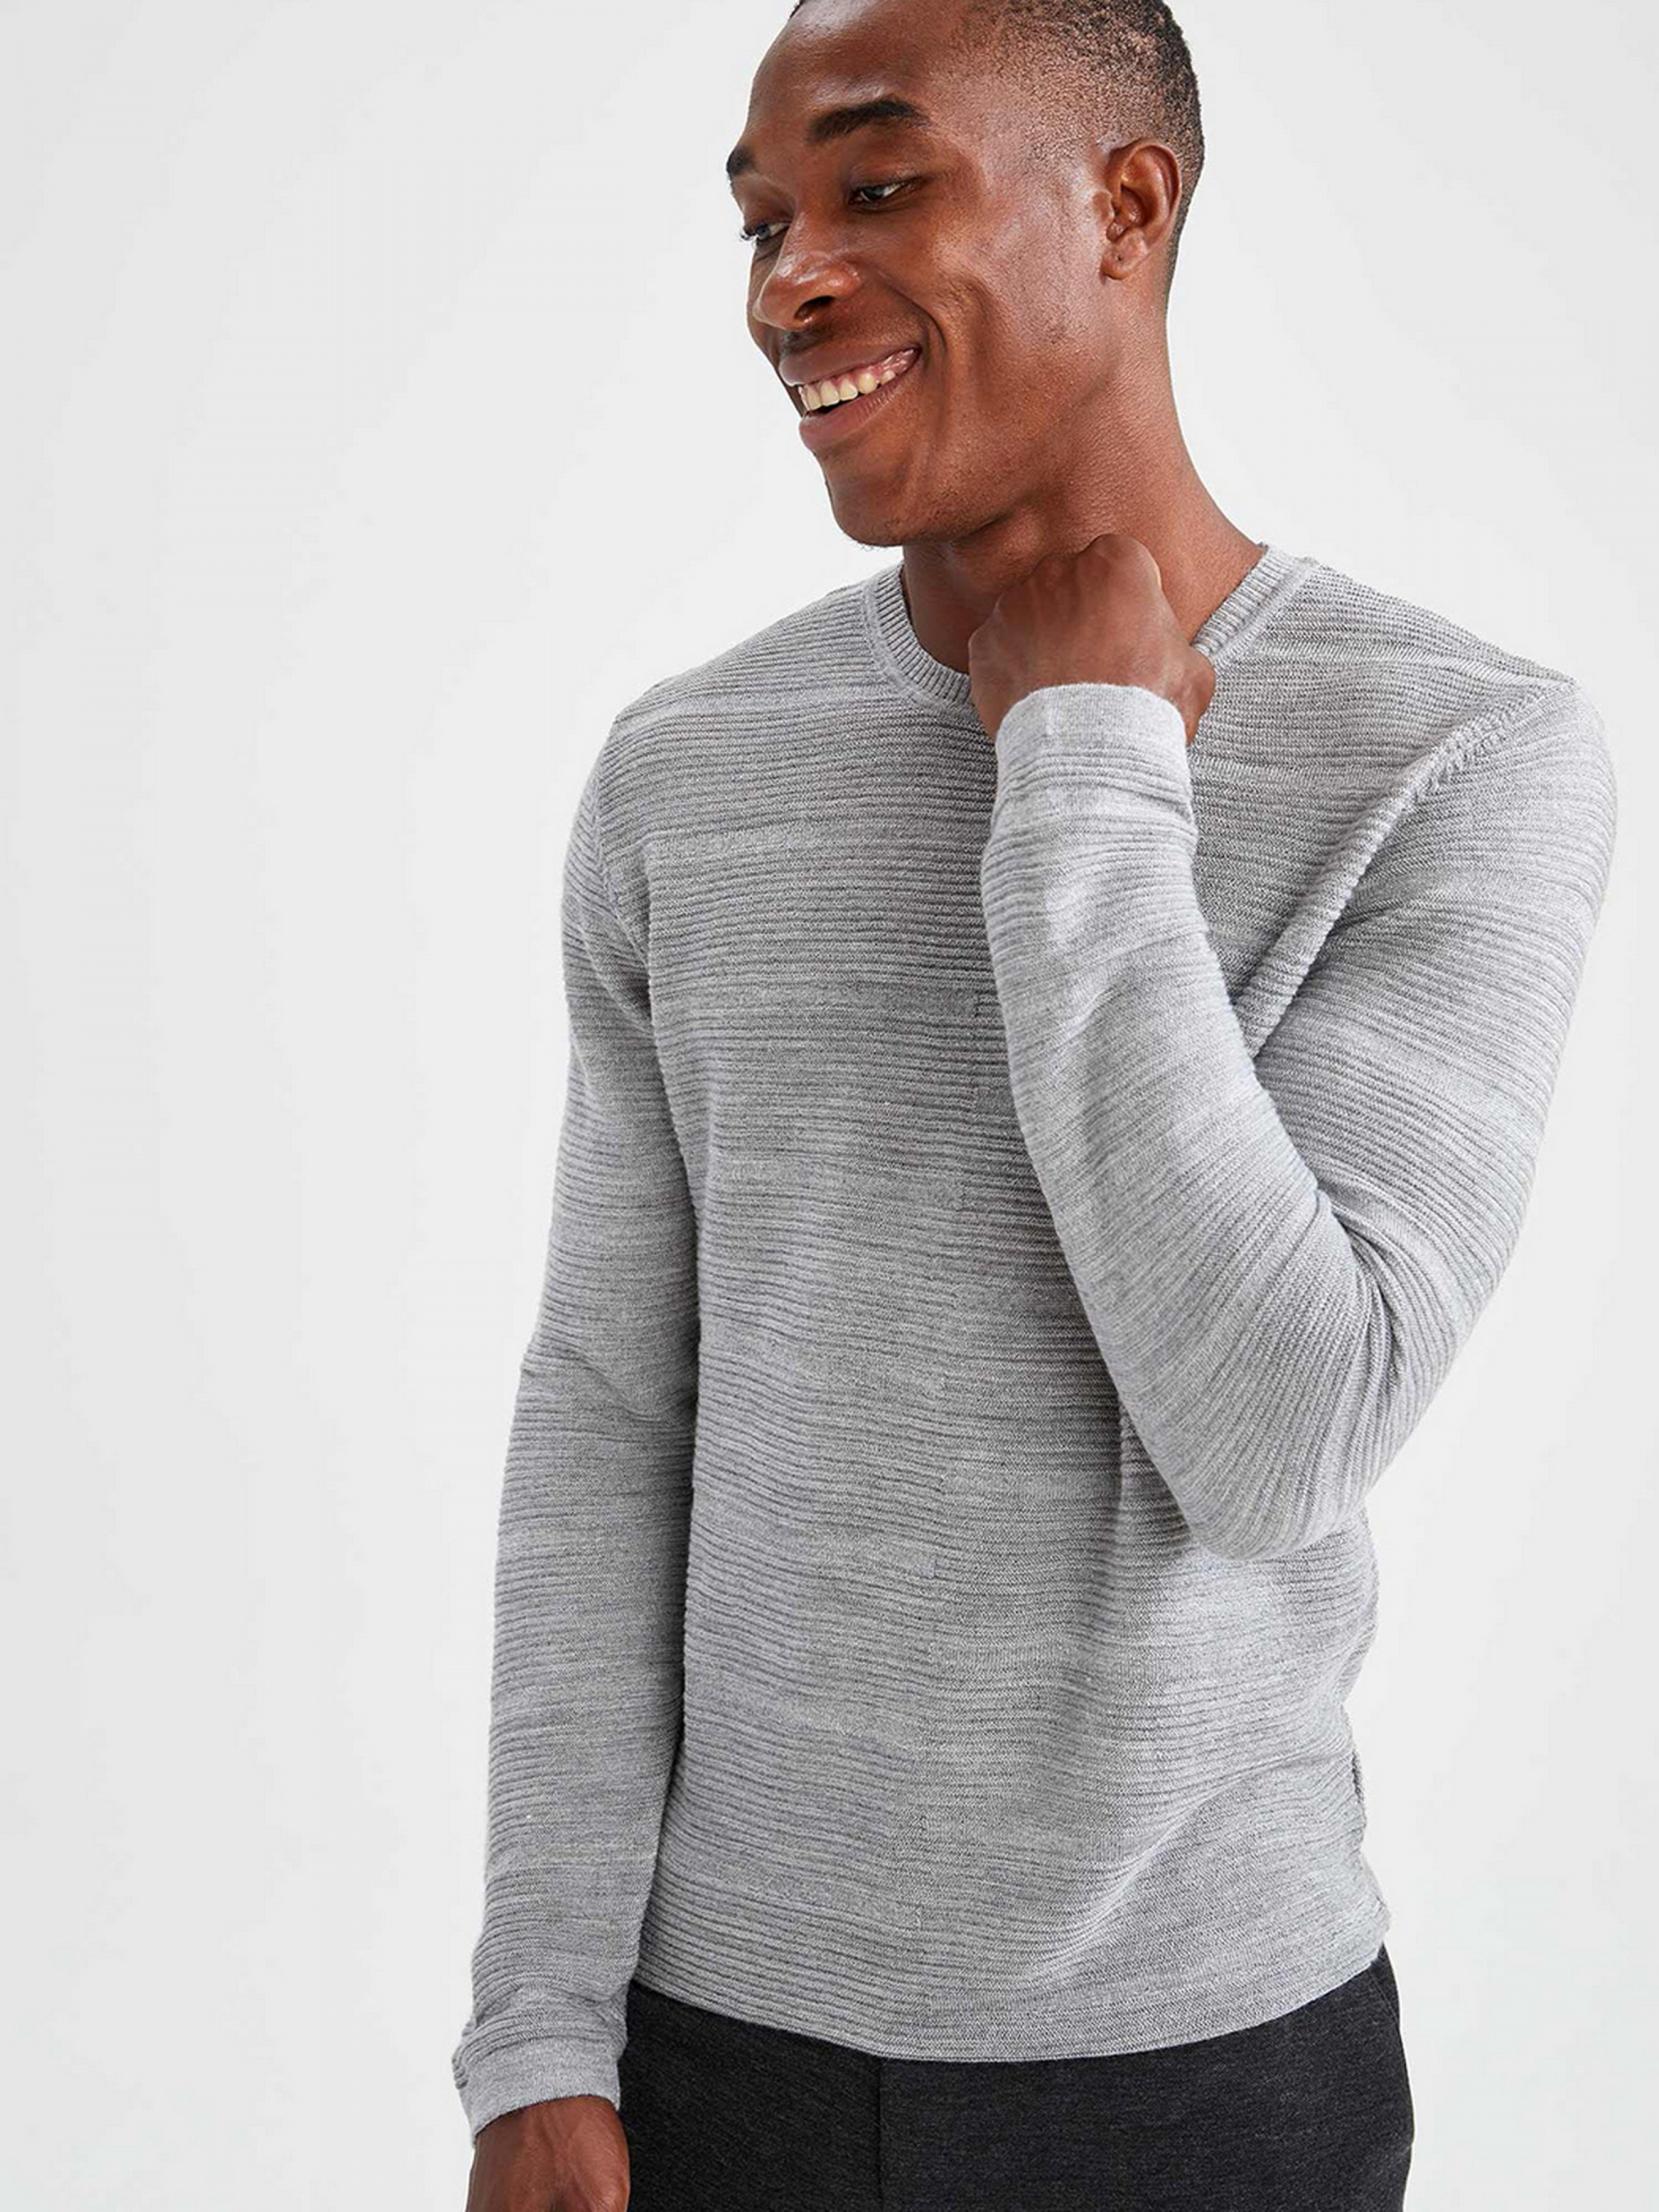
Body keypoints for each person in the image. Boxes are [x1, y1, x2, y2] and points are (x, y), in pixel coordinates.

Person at [453, 1, 1618, 2205]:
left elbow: (1279, 1429)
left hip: (1208, 2083)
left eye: (878, 186)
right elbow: (610, 1409)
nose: (788, 281)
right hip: (715, 2061)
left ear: (1126, 205)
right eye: (763, 222)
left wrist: (1087, 765)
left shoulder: (1457, 754)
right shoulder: (688, 777)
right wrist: (537, 2020)